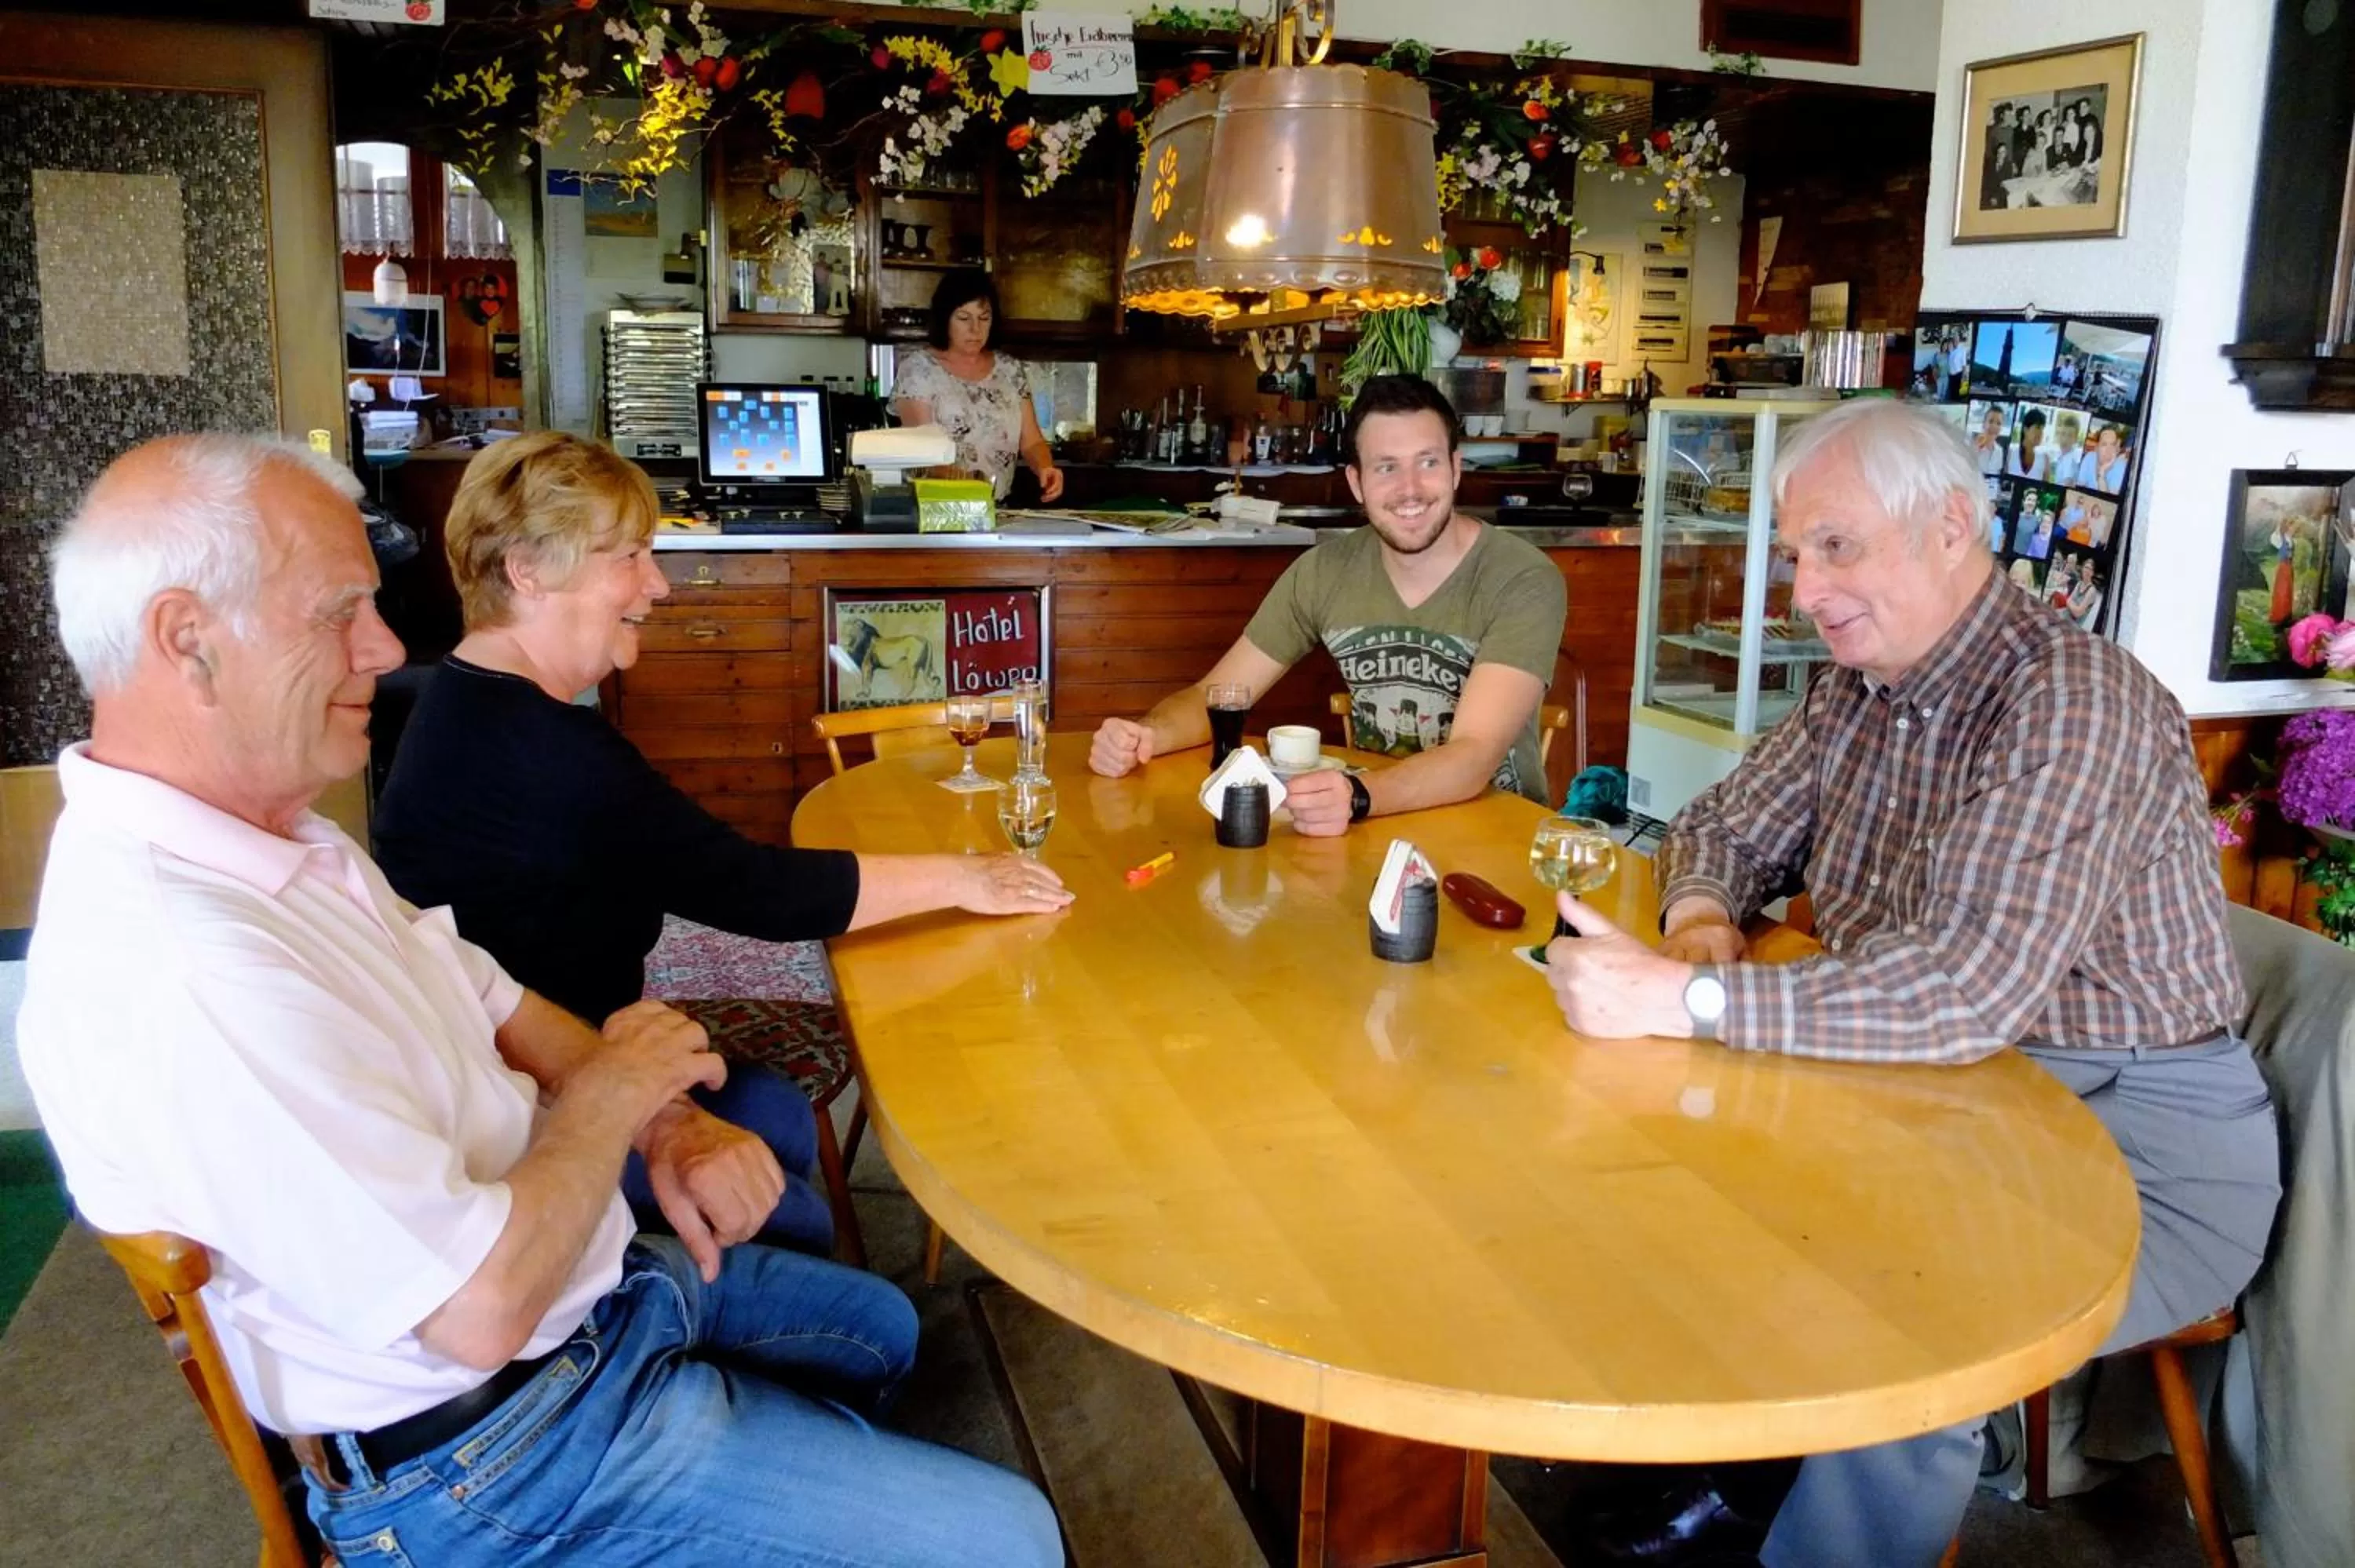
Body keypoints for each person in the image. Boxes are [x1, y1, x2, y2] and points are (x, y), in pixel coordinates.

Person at [19, 434, 1064, 1567]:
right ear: (187, 639)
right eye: (339, 613)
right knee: (1012, 1536)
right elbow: (480, 1310)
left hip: (582, 1289)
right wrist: (622, 1088)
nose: (386, 648)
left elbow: (489, 990)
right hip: (489, 1451)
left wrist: (662, 1120)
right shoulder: (188, 964)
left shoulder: (284, 839)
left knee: (882, 1331)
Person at [1543, 401, 2279, 1568]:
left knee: (1905, 1301)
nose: (1803, 590)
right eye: (1796, 554)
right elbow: (1719, 826)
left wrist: (1685, 1002)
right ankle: (1719, 1469)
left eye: (1835, 546)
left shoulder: (2070, 699)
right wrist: (1698, 923)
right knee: (1679, 1166)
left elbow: (1964, 990)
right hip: (1948, 1097)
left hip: (2134, 1147)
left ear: (1949, 527)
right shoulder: (1859, 687)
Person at [372, 432, 1075, 1253]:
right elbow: (756, 892)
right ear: (528, 571)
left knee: (775, 1111)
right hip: (526, 1110)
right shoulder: (547, 746)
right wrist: (967, 879)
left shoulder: (464, 699)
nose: (658, 583)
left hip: (526, 1063)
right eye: (629, 557)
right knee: (800, 1212)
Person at [1086, 374, 1567, 830]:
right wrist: (1146, 737)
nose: (1410, 489)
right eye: (1387, 467)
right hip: (1375, 827)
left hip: (1495, 834)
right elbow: (1217, 694)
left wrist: (1356, 796)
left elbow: (1473, 755)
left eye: (1428, 463)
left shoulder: (1521, 578)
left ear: (1456, 469)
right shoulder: (1324, 571)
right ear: (1356, 483)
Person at [890, 268, 1063, 502]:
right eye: (964, 318)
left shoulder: (1010, 370)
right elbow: (922, 454)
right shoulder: (919, 370)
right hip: (938, 508)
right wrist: (970, 485)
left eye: (984, 318)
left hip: (997, 508)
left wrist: (1045, 467)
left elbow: (1032, 441)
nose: (975, 329)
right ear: (945, 319)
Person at [2085, 423, 2131, 491]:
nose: (2108, 450)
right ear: (2097, 448)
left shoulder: (2121, 466)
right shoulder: (2089, 457)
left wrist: (2102, 474)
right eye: (2104, 444)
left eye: (2112, 445)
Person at [1970, 403, 2006, 476]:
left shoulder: (1999, 451)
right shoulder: (1973, 446)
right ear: (1983, 424)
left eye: (1999, 423)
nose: (1994, 426)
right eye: (1991, 421)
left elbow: (1996, 475)